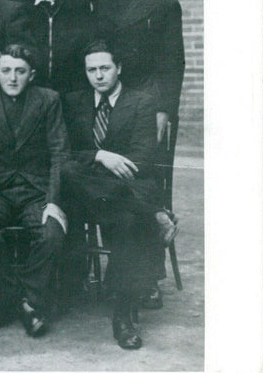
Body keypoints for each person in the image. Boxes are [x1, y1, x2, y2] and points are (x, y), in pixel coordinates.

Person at [61, 40, 178, 349]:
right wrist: (102, 156)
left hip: (123, 194)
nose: (98, 76)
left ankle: (123, 315)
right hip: (87, 195)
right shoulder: (73, 102)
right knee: (68, 172)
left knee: (127, 222)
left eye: (104, 68)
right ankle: (155, 213)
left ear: (119, 68)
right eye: (91, 70)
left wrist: (97, 165)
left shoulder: (140, 101)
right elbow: (66, 153)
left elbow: (141, 161)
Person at [95, 0, 185, 307]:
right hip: (116, 101)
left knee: (150, 185)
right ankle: (119, 267)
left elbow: (173, 62)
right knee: (112, 182)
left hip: (152, 103)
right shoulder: (104, 3)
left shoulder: (165, 6)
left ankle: (150, 277)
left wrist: (164, 109)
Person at [0, 44, 68, 337]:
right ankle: (6, 298)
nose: (13, 78)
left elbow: (60, 154)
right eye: (6, 71)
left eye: (20, 71)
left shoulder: (49, 100)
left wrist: (53, 200)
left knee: (52, 233)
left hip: (37, 192)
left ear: (31, 74)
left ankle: (26, 300)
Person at [16, 0, 96, 95]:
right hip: (33, 93)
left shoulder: (79, 4)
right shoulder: (20, 7)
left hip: (73, 92)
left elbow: (86, 49)